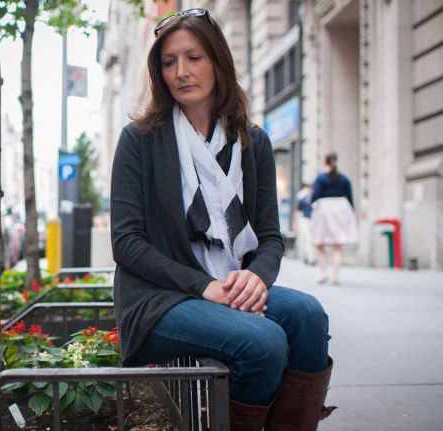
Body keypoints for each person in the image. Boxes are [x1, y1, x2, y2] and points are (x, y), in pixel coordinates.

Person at [110, 9, 335, 430]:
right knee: (262, 342)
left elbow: (269, 236)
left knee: (309, 316)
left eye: (194, 57)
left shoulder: (253, 141)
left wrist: (257, 278)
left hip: (230, 284)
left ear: (217, 61)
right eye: (169, 61)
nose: (181, 72)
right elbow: (126, 243)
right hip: (161, 299)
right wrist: (204, 286)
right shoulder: (139, 140)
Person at [310, 152, 357, 285]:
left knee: (319, 244)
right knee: (337, 247)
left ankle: (323, 273)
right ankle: (335, 276)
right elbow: (350, 198)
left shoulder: (320, 178)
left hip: (324, 209)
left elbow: (315, 196)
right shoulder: (344, 178)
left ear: (325, 162)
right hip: (341, 208)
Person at [295, 184, 316, 265]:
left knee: (309, 240)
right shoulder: (303, 198)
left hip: (311, 220)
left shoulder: (313, 198)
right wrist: (296, 222)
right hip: (305, 220)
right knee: (307, 239)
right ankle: (309, 258)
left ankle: (310, 258)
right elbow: (298, 211)